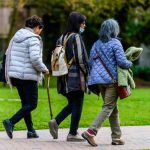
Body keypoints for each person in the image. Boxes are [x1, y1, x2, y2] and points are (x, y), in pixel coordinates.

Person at [81, 19, 133, 146]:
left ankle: (116, 137)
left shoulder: (96, 44)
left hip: (98, 81)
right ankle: (91, 131)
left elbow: (91, 63)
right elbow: (122, 62)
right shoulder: (115, 43)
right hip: (112, 81)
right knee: (108, 107)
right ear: (114, 30)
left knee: (113, 108)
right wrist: (130, 62)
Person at [3, 15, 49, 139]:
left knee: (25, 103)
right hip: (28, 76)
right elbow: (35, 59)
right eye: (40, 29)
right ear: (37, 27)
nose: (40, 31)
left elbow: (8, 54)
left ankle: (31, 131)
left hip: (16, 75)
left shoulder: (16, 36)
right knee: (32, 104)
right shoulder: (33, 38)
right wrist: (44, 69)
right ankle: (10, 122)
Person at [49, 12, 89, 141]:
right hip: (75, 77)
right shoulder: (76, 37)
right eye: (82, 23)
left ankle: (57, 122)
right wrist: (87, 73)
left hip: (63, 76)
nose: (84, 25)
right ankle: (72, 133)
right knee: (78, 103)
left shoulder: (61, 38)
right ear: (77, 24)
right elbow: (81, 59)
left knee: (73, 103)